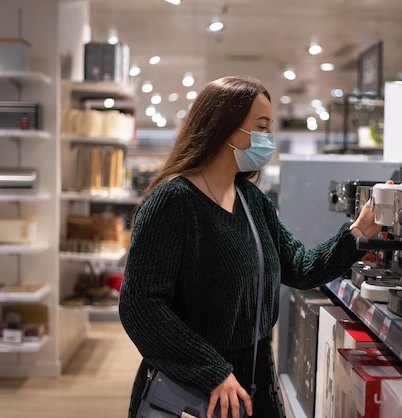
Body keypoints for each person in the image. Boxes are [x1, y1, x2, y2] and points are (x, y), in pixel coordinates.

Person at [119, 75, 383, 418]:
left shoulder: (251, 201)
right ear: (225, 128)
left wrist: (356, 234)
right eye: (261, 127)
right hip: (196, 387)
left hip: (253, 376)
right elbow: (140, 307)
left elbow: (300, 267)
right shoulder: (173, 203)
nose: (268, 139)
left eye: (270, 128)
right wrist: (211, 370)